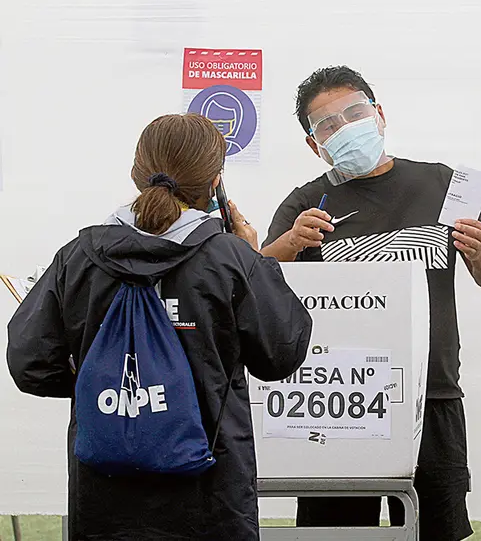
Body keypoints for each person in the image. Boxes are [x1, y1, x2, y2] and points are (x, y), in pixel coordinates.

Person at [6, 113, 313, 540]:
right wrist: (253, 258)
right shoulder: (230, 259)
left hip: (105, 498)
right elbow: (282, 353)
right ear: (214, 183)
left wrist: (107, 385)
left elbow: (30, 363)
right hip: (210, 496)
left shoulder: (77, 258)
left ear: (136, 174)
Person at [261, 66, 481, 541]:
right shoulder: (305, 202)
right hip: (339, 403)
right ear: (315, 145)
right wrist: (291, 243)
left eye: (353, 113)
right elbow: (258, 283)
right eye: (328, 125)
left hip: (432, 394)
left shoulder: (444, 184)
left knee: (438, 529)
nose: (344, 127)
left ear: (378, 114)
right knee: (337, 534)